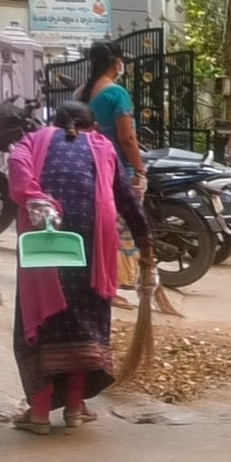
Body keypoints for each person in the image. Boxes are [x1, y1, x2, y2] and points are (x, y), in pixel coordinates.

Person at [5, 101, 152, 435]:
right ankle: (74, 407)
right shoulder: (101, 147)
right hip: (93, 240)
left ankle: (40, 413)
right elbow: (126, 198)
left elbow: (15, 162)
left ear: (55, 122)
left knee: (44, 318)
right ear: (92, 127)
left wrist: (35, 198)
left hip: (46, 237)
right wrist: (145, 238)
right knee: (86, 319)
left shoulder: (34, 140)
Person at [80, 42, 147, 299]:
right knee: (121, 225)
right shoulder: (117, 94)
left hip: (87, 167)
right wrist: (140, 169)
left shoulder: (81, 94)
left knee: (96, 224)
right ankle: (115, 281)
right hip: (116, 168)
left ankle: (96, 278)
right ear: (115, 63)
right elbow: (128, 138)